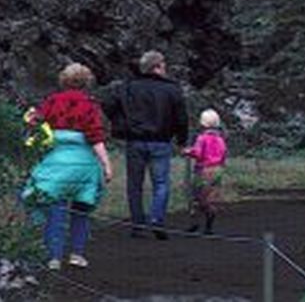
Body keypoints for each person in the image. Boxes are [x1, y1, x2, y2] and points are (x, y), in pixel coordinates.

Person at [22, 62, 113, 270]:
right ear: (87, 81)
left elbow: (35, 121)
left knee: (56, 209)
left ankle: (53, 256)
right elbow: (96, 138)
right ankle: (77, 254)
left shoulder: (52, 101)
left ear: (64, 80)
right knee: (81, 210)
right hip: (84, 165)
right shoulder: (90, 105)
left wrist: (31, 119)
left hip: (56, 163)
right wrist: (107, 165)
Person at [100, 49, 189, 239]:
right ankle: (157, 218)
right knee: (161, 182)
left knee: (135, 184)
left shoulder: (129, 87)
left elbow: (107, 104)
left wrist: (122, 123)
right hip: (161, 141)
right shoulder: (171, 89)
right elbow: (181, 117)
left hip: (135, 140)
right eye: (163, 63)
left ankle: (138, 225)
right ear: (157, 66)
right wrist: (181, 140)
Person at [183, 108, 228, 235]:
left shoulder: (202, 138)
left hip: (203, 169)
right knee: (211, 197)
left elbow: (198, 153)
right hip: (217, 169)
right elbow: (224, 153)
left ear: (202, 123)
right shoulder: (220, 139)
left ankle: (194, 223)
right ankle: (209, 226)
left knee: (196, 197)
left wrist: (187, 151)